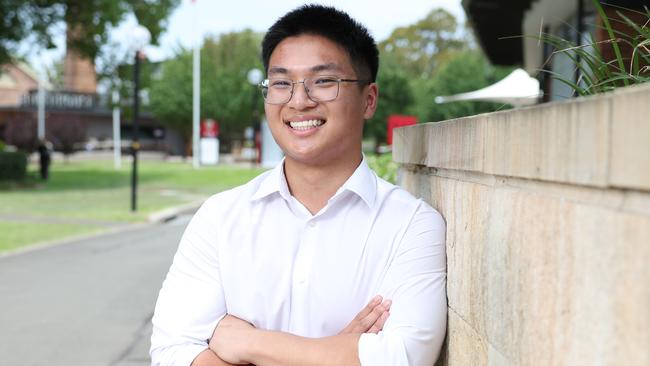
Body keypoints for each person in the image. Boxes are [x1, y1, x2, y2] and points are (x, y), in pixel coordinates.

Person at [150, 5, 447, 366]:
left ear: (368, 100)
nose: (299, 100)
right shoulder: (220, 218)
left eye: (323, 81)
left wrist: (249, 344)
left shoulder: (412, 225)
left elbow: (403, 357)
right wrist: (336, 352)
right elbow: (172, 353)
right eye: (281, 83)